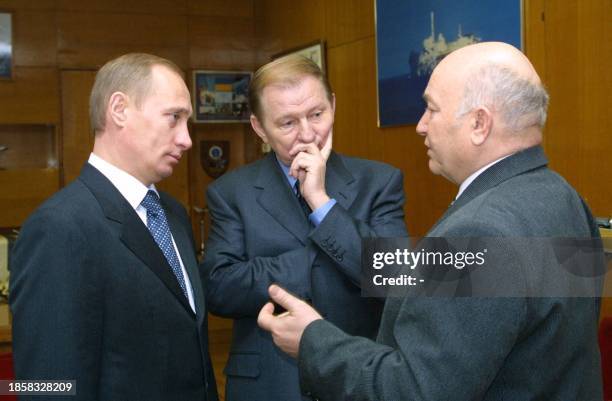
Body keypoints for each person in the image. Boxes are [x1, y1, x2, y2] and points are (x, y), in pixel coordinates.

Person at [258, 42, 603, 400]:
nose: (421, 126)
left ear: (479, 124)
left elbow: (413, 390)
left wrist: (313, 340)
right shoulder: (565, 197)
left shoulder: (478, 232)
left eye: (432, 109)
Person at [10, 53, 218, 401]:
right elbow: (49, 386)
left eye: (187, 122)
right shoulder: (59, 228)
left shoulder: (173, 214)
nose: (187, 139)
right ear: (119, 109)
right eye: (173, 118)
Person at [202, 55, 408, 400]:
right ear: (259, 128)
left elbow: (396, 275)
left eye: (317, 114)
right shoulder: (231, 192)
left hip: (354, 377)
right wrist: (320, 259)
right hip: (269, 384)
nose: (308, 133)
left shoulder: (379, 181)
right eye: (287, 123)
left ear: (334, 105)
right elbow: (221, 287)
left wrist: (321, 204)